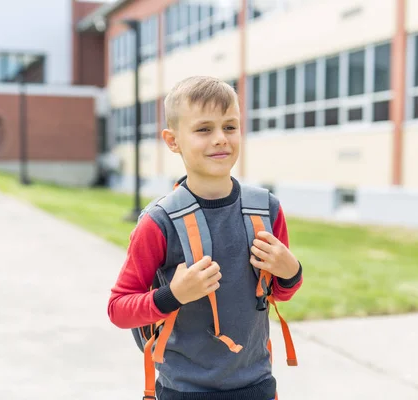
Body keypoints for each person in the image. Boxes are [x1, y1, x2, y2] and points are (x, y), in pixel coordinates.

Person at [107, 76, 303, 400]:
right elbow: (119, 308)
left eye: (230, 127)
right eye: (203, 129)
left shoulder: (267, 210)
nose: (220, 139)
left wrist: (291, 271)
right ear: (173, 141)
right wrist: (174, 295)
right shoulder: (158, 223)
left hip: (258, 387)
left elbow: (279, 294)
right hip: (184, 391)